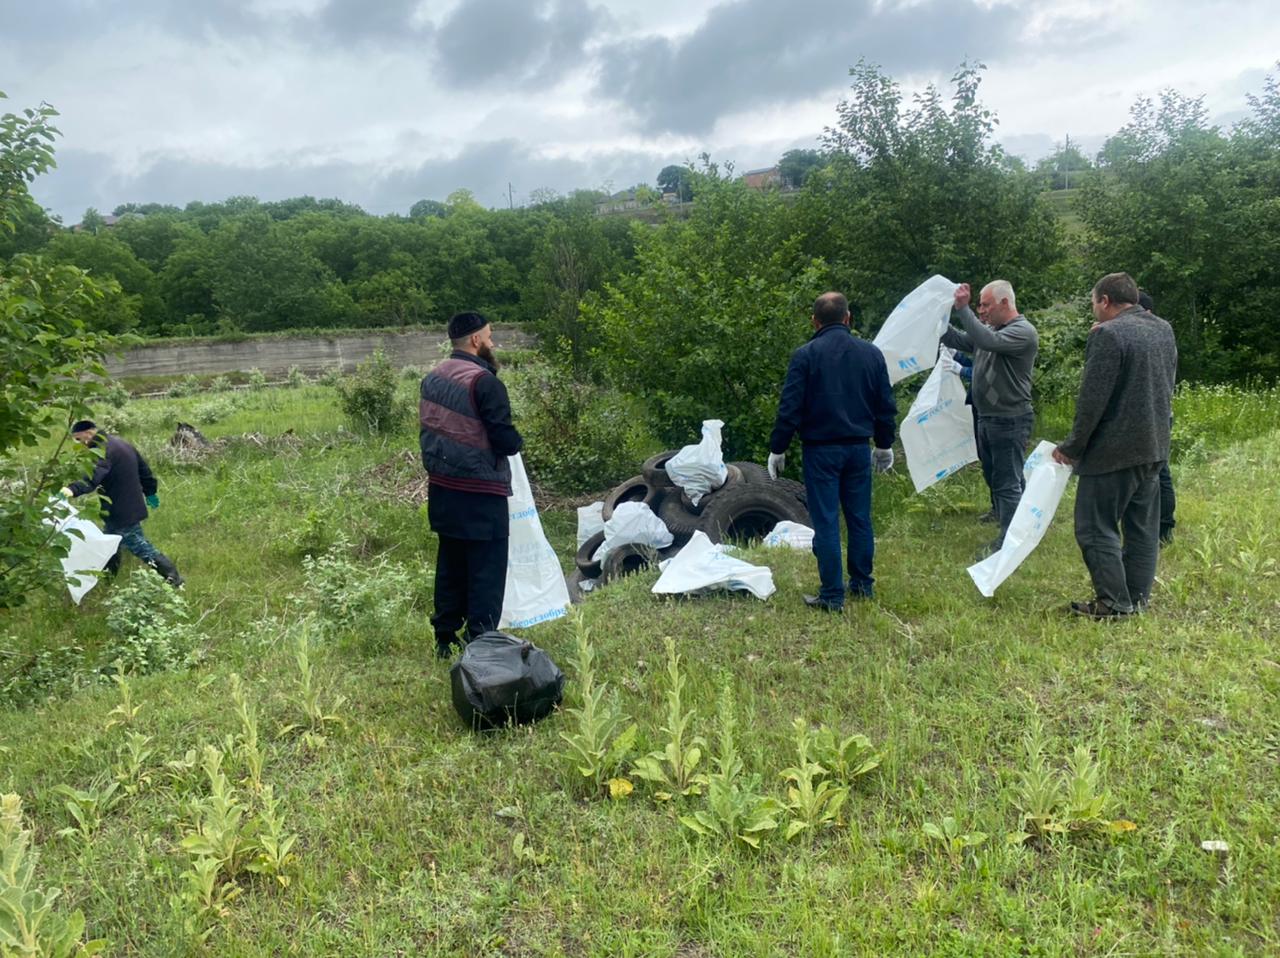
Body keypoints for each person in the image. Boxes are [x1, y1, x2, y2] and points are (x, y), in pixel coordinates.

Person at [1052, 272, 1177, 618]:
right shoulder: (1162, 328)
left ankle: (1113, 603)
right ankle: (1136, 597)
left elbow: (1092, 402)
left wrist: (1072, 447)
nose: (1094, 310)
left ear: (1105, 300)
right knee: (1141, 528)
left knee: (1095, 527)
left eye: (1094, 303)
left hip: (1113, 451)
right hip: (1154, 445)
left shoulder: (1108, 335)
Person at [766, 291, 897, 611]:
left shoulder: (805, 356)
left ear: (814, 321)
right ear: (848, 317)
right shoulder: (872, 354)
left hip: (821, 451)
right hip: (857, 449)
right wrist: (883, 444)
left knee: (825, 522)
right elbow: (885, 405)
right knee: (859, 518)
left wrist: (778, 448)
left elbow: (790, 408)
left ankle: (832, 594)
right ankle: (863, 585)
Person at [419, 311, 524, 658]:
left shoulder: (432, 378)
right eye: (490, 336)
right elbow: (505, 440)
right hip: (481, 493)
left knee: (451, 565)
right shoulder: (485, 382)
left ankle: (444, 639)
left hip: (443, 491)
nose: (493, 343)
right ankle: (481, 644)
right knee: (486, 570)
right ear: (476, 340)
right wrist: (518, 440)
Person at [940, 280, 1038, 555]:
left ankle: (1010, 541)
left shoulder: (1022, 332)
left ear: (1005, 303)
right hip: (987, 416)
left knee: (1008, 481)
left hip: (1009, 418)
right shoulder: (992, 330)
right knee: (997, 474)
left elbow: (986, 341)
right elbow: (959, 339)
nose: (980, 310)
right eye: (979, 305)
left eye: (985, 304)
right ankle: (1014, 521)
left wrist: (963, 309)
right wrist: (938, 318)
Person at [59, 420, 183, 587]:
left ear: (89, 433)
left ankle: (175, 580)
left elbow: (93, 476)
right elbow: (144, 470)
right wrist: (150, 491)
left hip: (121, 509)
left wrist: (72, 489)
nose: (80, 444)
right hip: (127, 505)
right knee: (110, 545)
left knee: (141, 547)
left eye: (79, 439)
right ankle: (108, 582)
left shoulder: (101, 450)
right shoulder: (120, 443)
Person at [1138, 290, 1177, 545]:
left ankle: (1164, 526)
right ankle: (1152, 525)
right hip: (1153, 414)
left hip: (1157, 415)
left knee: (1159, 471)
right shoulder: (1161, 334)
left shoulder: (1158, 335)